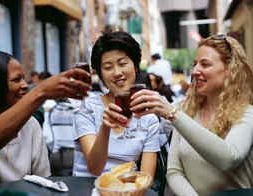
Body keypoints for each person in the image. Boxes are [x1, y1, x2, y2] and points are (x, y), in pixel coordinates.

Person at [129, 34, 253, 195]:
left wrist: (173, 114)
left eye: (205, 64)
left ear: (230, 70)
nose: (195, 71)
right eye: (195, 64)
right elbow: (174, 172)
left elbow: (229, 158)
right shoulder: (187, 111)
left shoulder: (247, 112)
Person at [0, 51, 91, 195]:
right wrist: (41, 92)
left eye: (24, 79)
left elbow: (43, 182)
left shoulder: (30, 124)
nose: (25, 85)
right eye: (16, 80)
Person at [72, 31, 161, 180]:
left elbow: (146, 178)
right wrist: (105, 127)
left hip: (128, 190)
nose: (117, 72)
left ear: (135, 66)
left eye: (123, 63)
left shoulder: (149, 118)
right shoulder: (87, 108)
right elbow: (94, 168)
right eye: (108, 67)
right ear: (100, 73)